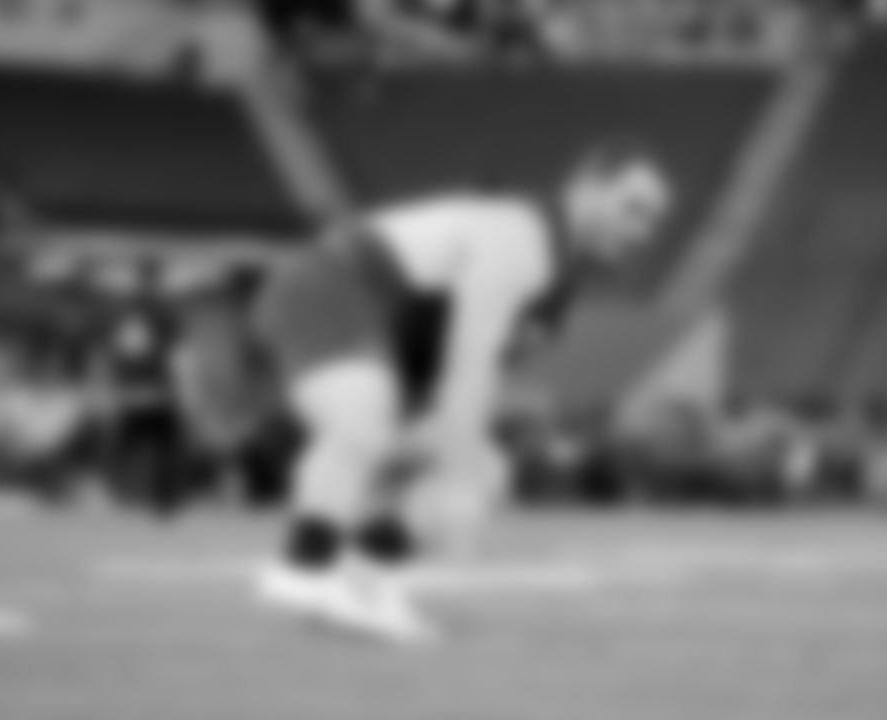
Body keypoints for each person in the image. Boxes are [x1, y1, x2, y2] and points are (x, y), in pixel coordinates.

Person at [251, 142, 674, 644]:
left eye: (653, 219)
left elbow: (477, 369)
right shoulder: (522, 237)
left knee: (485, 473)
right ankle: (302, 568)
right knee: (365, 424)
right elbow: (468, 360)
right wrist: (454, 455)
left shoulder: (559, 282)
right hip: (333, 286)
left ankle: (365, 585)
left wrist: (456, 460)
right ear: (587, 188)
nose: (642, 230)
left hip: (392, 345)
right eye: (632, 207)